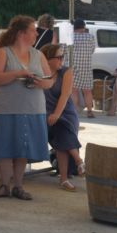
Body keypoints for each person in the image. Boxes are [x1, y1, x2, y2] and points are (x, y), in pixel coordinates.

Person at [0, 15, 53, 200]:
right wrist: (17, 73)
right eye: (33, 30)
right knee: (6, 148)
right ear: (21, 33)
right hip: (7, 107)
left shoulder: (38, 54)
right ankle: (4, 186)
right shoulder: (3, 52)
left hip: (33, 107)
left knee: (23, 148)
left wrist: (41, 83)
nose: (36, 33)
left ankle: (18, 187)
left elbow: (50, 81)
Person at [40, 44, 85, 191]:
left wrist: (57, 114)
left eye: (63, 56)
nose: (62, 59)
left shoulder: (66, 71)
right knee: (60, 127)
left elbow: (66, 95)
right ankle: (77, 163)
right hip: (46, 114)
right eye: (58, 57)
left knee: (61, 126)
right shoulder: (38, 73)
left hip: (65, 112)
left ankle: (66, 177)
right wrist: (53, 115)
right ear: (47, 60)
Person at [62, 18, 96, 118]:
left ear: (73, 27)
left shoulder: (69, 37)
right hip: (86, 66)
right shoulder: (90, 37)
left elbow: (62, 51)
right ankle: (90, 111)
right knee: (87, 91)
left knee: (74, 90)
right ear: (84, 27)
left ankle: (74, 112)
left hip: (72, 66)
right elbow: (92, 50)